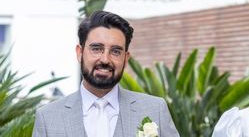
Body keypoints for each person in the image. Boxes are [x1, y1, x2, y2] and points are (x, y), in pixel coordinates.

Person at [33, 11, 179, 137]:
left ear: (126, 58)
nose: (105, 59)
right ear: (80, 53)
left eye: (115, 51)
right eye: (96, 48)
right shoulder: (48, 118)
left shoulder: (155, 109)